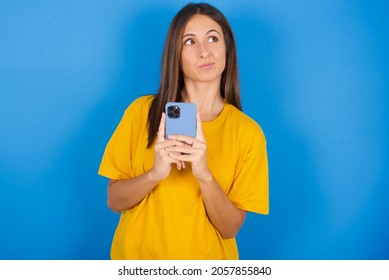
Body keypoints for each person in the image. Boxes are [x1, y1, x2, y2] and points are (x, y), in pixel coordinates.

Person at [98, 2, 269, 260]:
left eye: (213, 38)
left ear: (227, 49)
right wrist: (155, 174)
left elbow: (230, 228)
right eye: (189, 42)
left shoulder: (248, 132)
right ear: (175, 54)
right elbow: (114, 201)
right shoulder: (141, 113)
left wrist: (204, 174)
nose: (204, 52)